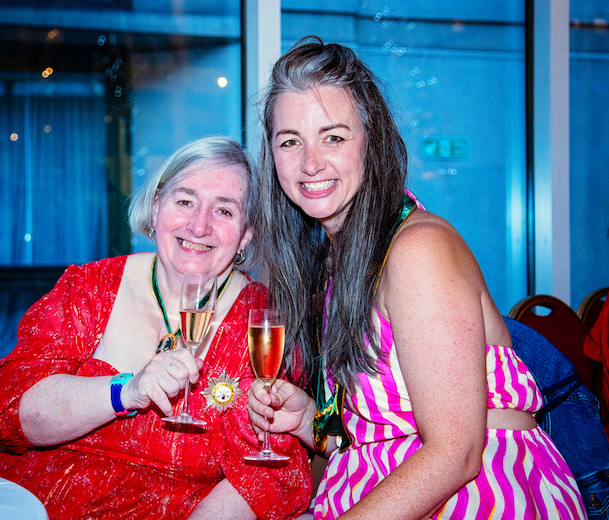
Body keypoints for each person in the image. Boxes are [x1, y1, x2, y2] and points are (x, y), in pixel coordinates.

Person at [247, 37, 586, 519]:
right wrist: (309, 422)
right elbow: (378, 437)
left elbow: (456, 453)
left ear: (372, 141)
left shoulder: (416, 250)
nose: (310, 163)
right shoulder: (338, 262)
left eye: (333, 137)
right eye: (289, 141)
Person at [0, 135, 312, 520]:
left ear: (246, 233)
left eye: (224, 210)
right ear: (156, 207)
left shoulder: (263, 322)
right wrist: (126, 391)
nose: (199, 225)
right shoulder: (88, 288)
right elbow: (14, 412)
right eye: (185, 201)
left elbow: (265, 475)